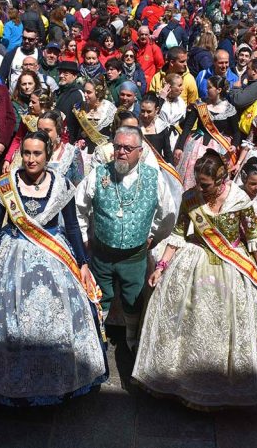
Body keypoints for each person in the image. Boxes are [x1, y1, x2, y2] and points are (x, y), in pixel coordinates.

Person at [132, 150, 257, 408]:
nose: (200, 189)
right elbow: (179, 234)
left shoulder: (239, 200)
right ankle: (178, 381)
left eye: (206, 185)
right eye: (198, 182)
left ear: (221, 179)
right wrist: (161, 266)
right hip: (194, 259)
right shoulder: (191, 198)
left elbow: (253, 239)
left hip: (231, 264)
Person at [0, 131, 107, 405]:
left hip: (54, 257)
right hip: (13, 256)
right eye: (27, 153)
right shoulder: (7, 185)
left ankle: (59, 380)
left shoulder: (62, 185)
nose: (31, 159)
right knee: (12, 323)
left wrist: (82, 263)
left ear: (48, 154)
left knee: (57, 320)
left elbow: (74, 229)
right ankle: (13, 382)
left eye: (37, 154)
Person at [75, 126, 177, 351]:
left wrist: (153, 237)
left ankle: (131, 342)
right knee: (100, 297)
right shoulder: (99, 173)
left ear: (140, 151)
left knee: (133, 299)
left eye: (128, 148)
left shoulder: (154, 177)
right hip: (102, 255)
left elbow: (168, 214)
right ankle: (97, 342)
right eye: (118, 146)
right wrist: (84, 237)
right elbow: (78, 207)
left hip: (135, 257)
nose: (121, 152)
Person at [174, 76, 239, 189]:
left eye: (209, 87)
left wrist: (234, 145)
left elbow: (236, 132)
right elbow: (188, 127)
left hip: (219, 148)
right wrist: (179, 147)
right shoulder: (200, 104)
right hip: (197, 145)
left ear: (219, 90)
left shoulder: (229, 109)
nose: (206, 90)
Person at [37, 110, 85, 186]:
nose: (42, 134)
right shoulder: (31, 151)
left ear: (58, 131)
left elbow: (79, 186)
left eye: (47, 130)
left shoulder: (71, 153)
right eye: (39, 130)